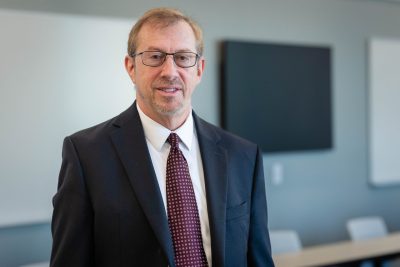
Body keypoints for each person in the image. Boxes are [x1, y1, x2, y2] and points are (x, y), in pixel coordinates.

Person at [50, 7, 275, 267]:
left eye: (182, 57)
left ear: (199, 70)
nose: (170, 71)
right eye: (155, 57)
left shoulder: (243, 155)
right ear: (131, 67)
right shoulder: (86, 155)